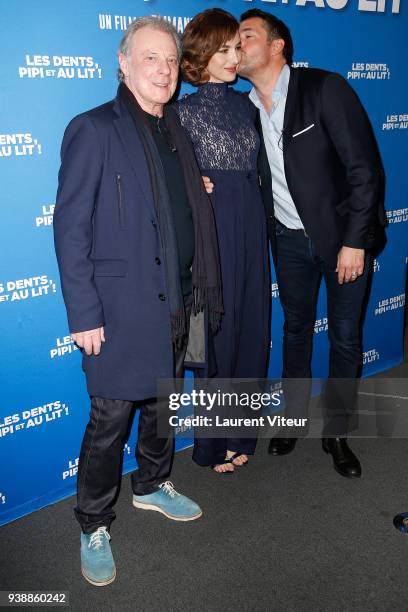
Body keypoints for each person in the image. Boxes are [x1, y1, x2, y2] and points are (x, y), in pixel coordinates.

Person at [53, 16, 223, 586]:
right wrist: (84, 314)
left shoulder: (177, 132)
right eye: (149, 58)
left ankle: (152, 484)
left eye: (171, 61)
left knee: (164, 405)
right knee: (109, 420)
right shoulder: (93, 128)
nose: (163, 70)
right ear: (123, 64)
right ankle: (93, 521)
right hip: (119, 308)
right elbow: (70, 229)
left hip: (177, 299)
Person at [238, 9, 386, 478]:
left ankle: (337, 432)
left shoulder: (324, 88)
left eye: (247, 35)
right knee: (296, 333)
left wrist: (355, 242)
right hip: (287, 242)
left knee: (345, 338)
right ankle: (293, 419)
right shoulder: (244, 108)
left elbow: (365, 170)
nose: (237, 44)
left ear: (278, 44)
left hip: (343, 242)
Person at [174, 9, 270, 474]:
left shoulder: (248, 106)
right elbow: (172, 179)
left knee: (252, 330)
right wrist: (198, 183)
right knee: (218, 334)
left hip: (250, 226)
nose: (234, 57)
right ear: (201, 54)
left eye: (237, 47)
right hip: (212, 232)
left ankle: (241, 433)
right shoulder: (181, 113)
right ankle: (211, 444)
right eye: (224, 49)